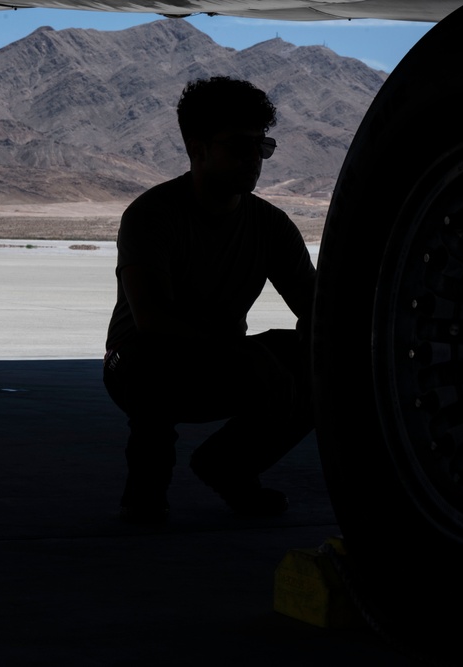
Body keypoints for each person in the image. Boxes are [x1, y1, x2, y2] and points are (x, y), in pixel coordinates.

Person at [103, 76, 316, 522]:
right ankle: (145, 495)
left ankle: (230, 468)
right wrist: (246, 353)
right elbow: (152, 320)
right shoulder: (152, 216)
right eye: (241, 146)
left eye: (263, 146)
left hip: (223, 361)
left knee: (323, 360)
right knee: (151, 363)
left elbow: (315, 307)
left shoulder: (271, 226)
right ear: (196, 149)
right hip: (139, 361)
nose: (255, 159)